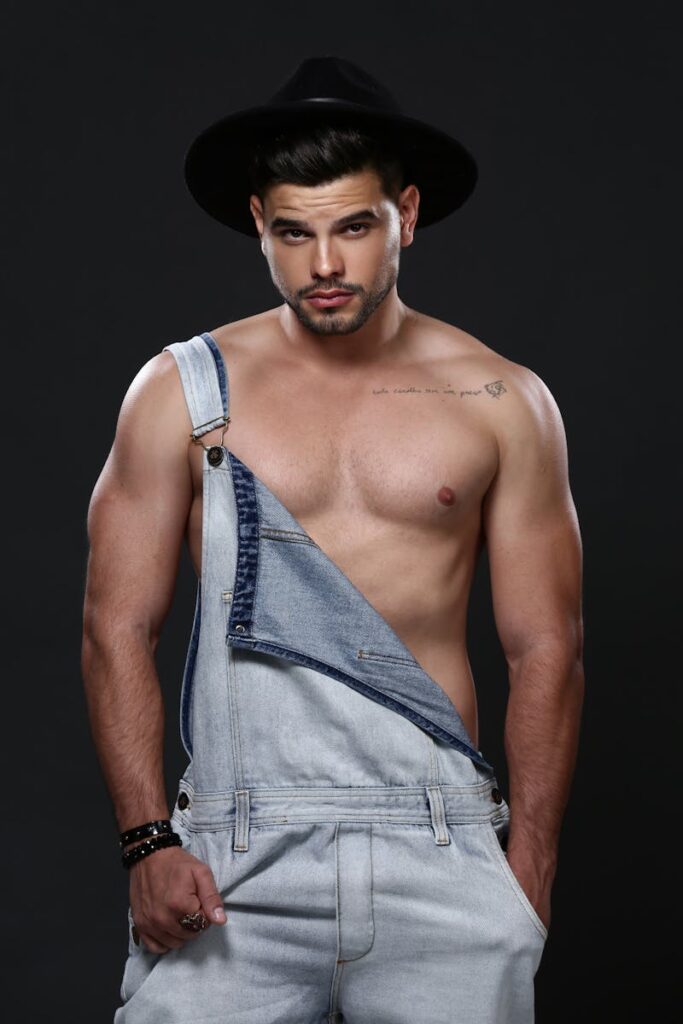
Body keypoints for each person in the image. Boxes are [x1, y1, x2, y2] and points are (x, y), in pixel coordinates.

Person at [81, 56, 584, 1023]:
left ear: (405, 214)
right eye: (293, 233)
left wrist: (526, 870)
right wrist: (148, 844)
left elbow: (547, 646)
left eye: (354, 227)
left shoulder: (499, 399)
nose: (324, 266)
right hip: (233, 854)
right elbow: (114, 625)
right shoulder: (180, 391)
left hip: (435, 846)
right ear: (258, 226)